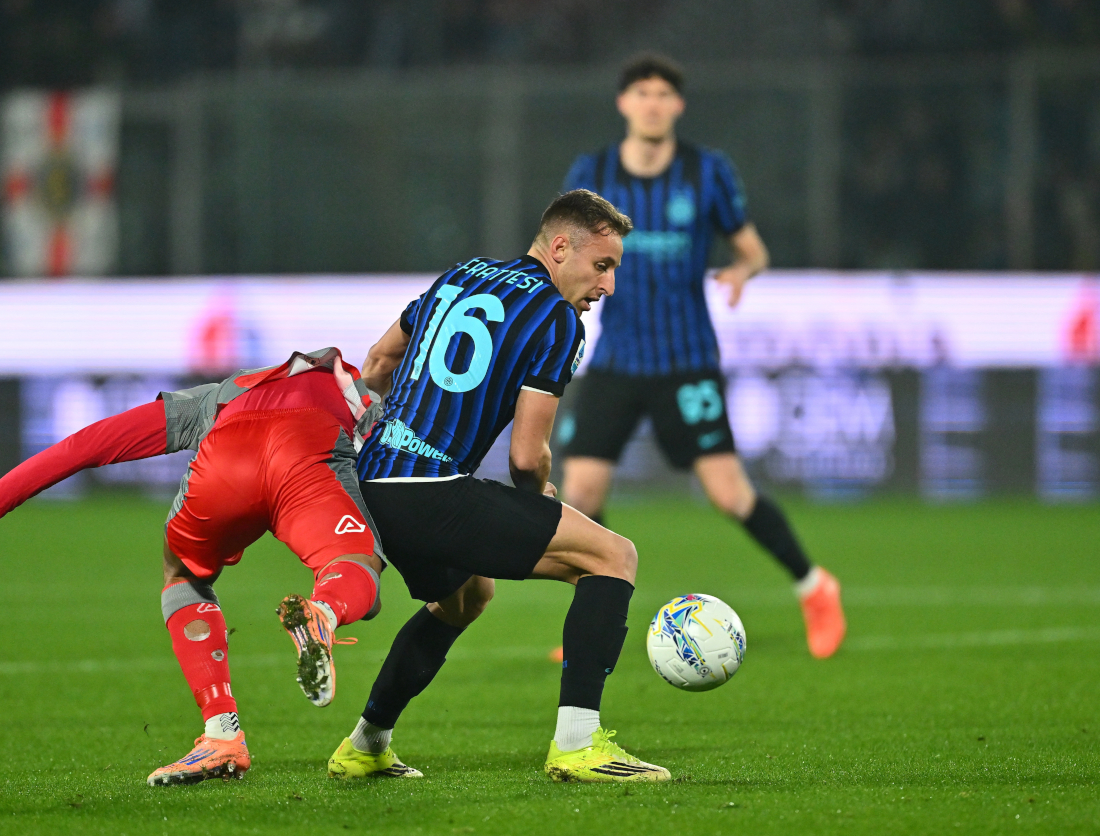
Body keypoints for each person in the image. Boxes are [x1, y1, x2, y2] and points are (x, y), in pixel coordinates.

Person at [322, 189, 670, 784]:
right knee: (613, 557)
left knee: (466, 598)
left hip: (373, 481)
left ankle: (365, 745)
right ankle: (579, 746)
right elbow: (525, 455)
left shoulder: (459, 276)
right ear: (560, 247)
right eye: (602, 266)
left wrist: (360, 447)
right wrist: (541, 498)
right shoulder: (556, 320)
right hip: (431, 490)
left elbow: (379, 360)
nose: (607, 286)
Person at [0, 349, 386, 786]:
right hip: (306, 455)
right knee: (351, 564)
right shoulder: (364, 397)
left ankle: (222, 733)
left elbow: (90, 443)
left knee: (183, 575)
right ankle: (325, 610)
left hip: (226, 460)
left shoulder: (217, 395)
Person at [556, 53, 845, 659]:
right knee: (579, 492)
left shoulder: (706, 172)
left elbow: (754, 249)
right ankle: (595, 616)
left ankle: (815, 586)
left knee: (729, 494)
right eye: (642, 93)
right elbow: (567, 254)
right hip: (617, 360)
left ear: (677, 106)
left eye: (664, 94)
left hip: (686, 359)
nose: (653, 103)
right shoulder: (594, 171)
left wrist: (743, 270)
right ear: (624, 103)